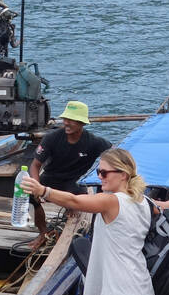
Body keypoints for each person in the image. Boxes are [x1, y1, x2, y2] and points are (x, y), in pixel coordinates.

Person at [22, 147, 154, 295]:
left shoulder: (111, 201)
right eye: (98, 172)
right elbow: (163, 206)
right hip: (139, 290)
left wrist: (43, 191)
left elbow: (75, 201)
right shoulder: (143, 201)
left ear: (123, 175)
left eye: (104, 173)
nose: (99, 177)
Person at [29, 101, 111, 246]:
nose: (66, 123)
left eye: (71, 120)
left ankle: (72, 217)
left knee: (81, 205)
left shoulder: (94, 142)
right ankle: (43, 232)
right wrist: (36, 186)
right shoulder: (51, 138)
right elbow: (35, 166)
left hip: (75, 181)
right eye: (65, 119)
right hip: (51, 178)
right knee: (31, 197)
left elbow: (116, 155)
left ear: (81, 123)